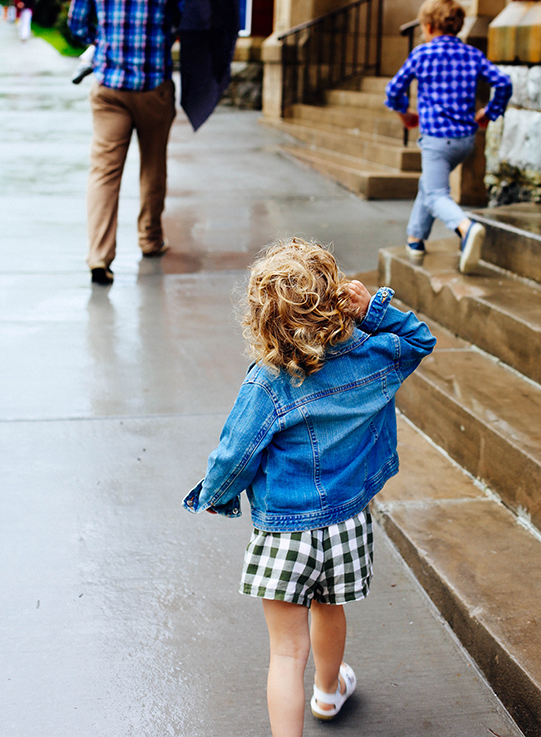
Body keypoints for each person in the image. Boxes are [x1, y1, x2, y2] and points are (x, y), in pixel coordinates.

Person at [184, 238, 436, 737]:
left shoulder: (269, 381)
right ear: (337, 300)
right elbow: (421, 340)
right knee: (329, 607)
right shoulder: (372, 357)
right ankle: (327, 690)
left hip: (284, 533)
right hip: (345, 523)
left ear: (262, 319)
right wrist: (375, 308)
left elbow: (236, 451)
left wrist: (216, 494)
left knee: (285, 651)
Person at [68, 0, 186, 285]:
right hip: (153, 86)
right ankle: (150, 240)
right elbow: (187, 21)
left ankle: (99, 256)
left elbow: (76, 25)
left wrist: (103, 39)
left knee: (103, 171)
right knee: (153, 167)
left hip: (109, 88)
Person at [385, 0, 512, 274]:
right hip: (466, 140)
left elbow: (393, 90)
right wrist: (489, 113)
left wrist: (405, 114)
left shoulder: (422, 54)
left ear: (428, 26)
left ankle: (466, 228)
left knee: (436, 193)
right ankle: (415, 238)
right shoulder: (471, 53)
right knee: (431, 185)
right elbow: (503, 82)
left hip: (437, 141)